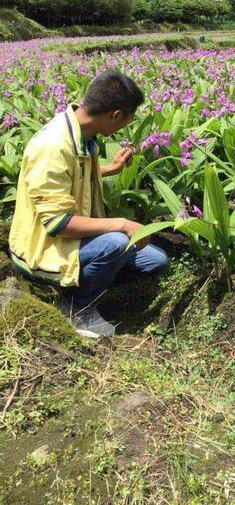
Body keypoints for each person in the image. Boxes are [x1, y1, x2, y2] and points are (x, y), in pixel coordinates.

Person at [8, 70, 168, 339]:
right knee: (116, 241)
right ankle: (76, 309)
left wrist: (110, 169)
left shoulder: (84, 134)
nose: (123, 129)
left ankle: (84, 282)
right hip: (41, 249)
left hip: (72, 242)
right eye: (125, 121)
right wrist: (121, 223)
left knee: (155, 261)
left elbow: (72, 175)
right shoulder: (52, 146)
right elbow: (58, 223)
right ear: (116, 115)